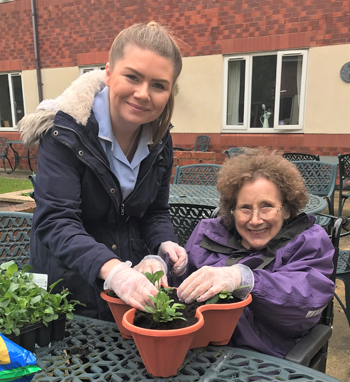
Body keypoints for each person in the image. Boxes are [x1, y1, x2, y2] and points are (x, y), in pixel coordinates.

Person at [18, 22, 187, 320]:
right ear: (108, 72)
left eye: (158, 85)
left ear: (170, 90)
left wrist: (163, 245)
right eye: (132, 77)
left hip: (129, 293)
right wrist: (115, 272)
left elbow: (154, 212)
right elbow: (57, 222)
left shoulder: (160, 139)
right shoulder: (65, 133)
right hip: (67, 294)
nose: (143, 93)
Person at [175, 149, 335, 358]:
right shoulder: (209, 232)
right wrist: (169, 266)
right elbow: (180, 287)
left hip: (261, 361)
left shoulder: (310, 241)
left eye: (267, 206)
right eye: (245, 208)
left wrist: (246, 279)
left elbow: (305, 303)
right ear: (232, 211)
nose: (255, 220)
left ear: (286, 209)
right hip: (196, 352)